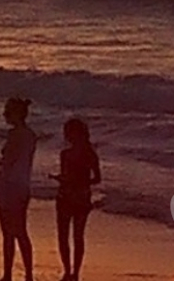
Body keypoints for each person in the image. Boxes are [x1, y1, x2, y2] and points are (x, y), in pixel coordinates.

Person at [51, 118, 101, 281]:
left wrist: (76, 181)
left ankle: (75, 273)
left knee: (77, 237)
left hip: (78, 198)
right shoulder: (65, 154)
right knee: (64, 236)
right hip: (67, 196)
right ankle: (67, 271)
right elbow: (68, 175)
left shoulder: (89, 155)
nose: (68, 136)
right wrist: (63, 179)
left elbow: (97, 178)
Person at [0, 96, 36, 281]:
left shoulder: (14, 135)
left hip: (8, 185)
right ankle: (28, 274)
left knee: (8, 233)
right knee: (21, 231)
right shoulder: (31, 135)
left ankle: (8, 274)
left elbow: (8, 159)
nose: (4, 114)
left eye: (7, 111)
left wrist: (0, 160)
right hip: (22, 185)